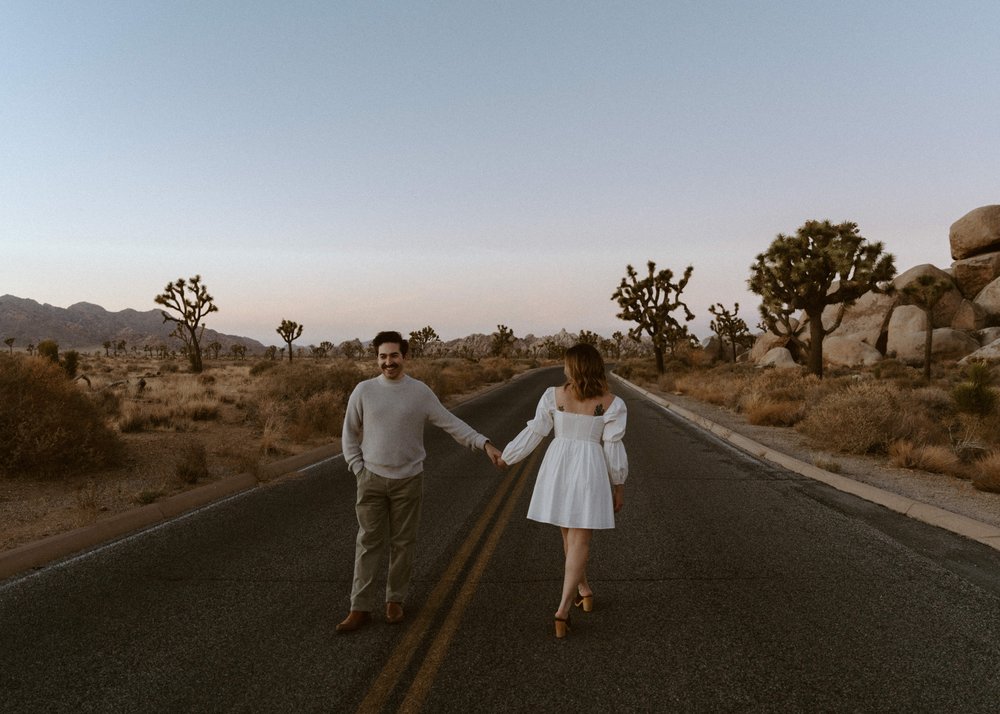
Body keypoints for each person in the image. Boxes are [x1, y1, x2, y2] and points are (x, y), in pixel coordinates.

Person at [337, 331, 503, 633]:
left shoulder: (420, 392)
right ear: (377, 358)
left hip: (409, 481)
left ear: (405, 357)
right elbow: (349, 434)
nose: (389, 362)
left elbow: (451, 424)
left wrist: (484, 444)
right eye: (383, 357)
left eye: (394, 356)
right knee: (368, 543)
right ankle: (359, 607)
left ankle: (394, 601)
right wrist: (358, 469)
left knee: (403, 544)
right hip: (371, 479)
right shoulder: (363, 391)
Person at [499, 343, 628, 638]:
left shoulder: (553, 396)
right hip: (590, 466)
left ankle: (570, 601)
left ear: (573, 367)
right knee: (578, 539)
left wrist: (508, 455)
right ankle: (572, 600)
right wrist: (618, 484)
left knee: (570, 538)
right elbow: (612, 446)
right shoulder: (611, 403)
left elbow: (536, 431)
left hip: (559, 464)